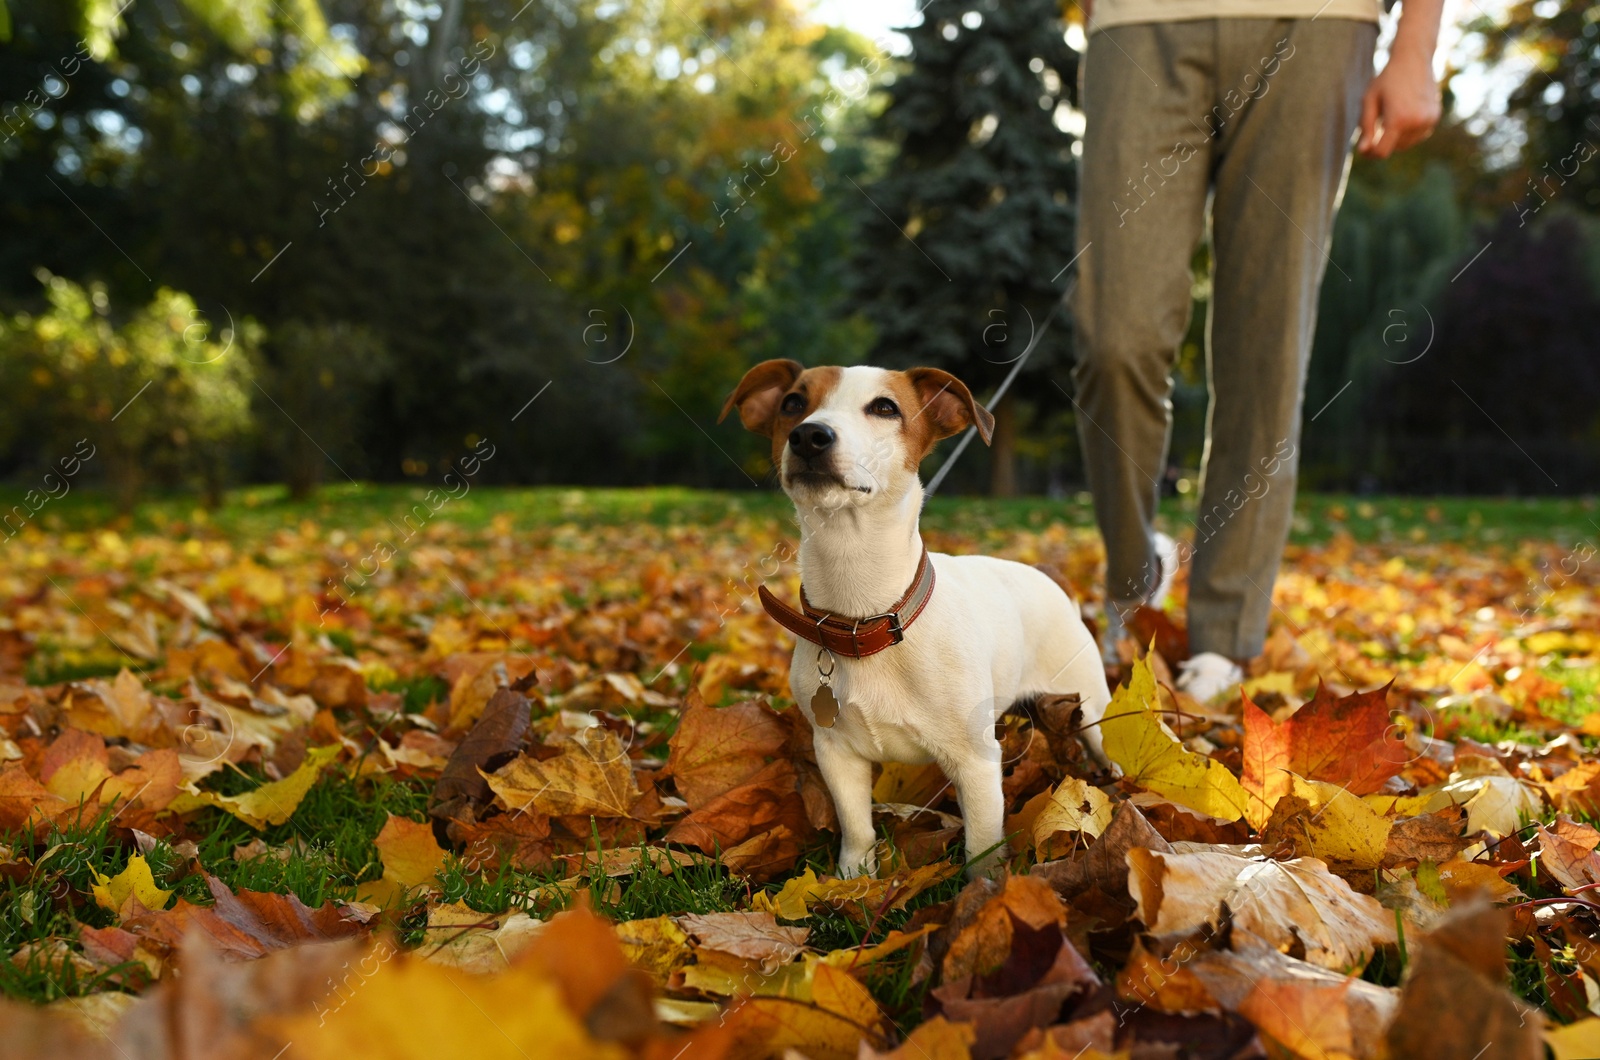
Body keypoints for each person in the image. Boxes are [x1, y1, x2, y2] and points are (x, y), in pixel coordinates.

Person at [1071, 0, 1444, 699]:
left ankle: (1224, 634)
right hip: (1138, 22)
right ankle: (1132, 577)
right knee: (1113, 338)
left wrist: (1416, 44)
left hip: (1319, 22)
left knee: (1266, 349)